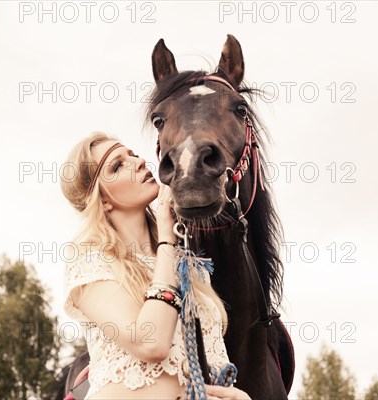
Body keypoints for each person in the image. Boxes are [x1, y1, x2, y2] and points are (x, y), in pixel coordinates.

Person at [60, 131, 251, 400]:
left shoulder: (188, 265)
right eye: (117, 165)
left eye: (133, 155)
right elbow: (150, 343)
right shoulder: (90, 260)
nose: (138, 162)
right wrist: (166, 237)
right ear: (101, 199)